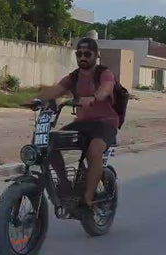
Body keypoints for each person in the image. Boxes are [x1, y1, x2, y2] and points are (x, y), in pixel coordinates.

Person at [38, 37, 118, 210]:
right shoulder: (74, 77)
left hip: (105, 124)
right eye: (79, 54)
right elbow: (57, 90)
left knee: (94, 150)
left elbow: (106, 88)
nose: (82, 57)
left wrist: (95, 97)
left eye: (87, 54)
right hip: (82, 123)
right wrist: (36, 99)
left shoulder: (104, 73)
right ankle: (65, 185)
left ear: (96, 55)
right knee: (50, 143)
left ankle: (88, 197)